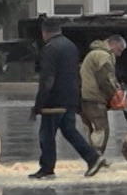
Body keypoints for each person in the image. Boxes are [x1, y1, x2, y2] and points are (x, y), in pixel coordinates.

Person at [32, 23, 107, 178]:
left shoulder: (50, 49)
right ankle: (93, 158)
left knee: (46, 134)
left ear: (44, 33)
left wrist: (39, 103)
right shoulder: (71, 46)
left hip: (54, 100)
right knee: (69, 131)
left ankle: (47, 168)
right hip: (70, 97)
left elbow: (48, 78)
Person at [79, 34, 126, 154]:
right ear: (113, 44)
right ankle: (96, 157)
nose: (120, 54)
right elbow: (106, 79)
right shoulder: (103, 56)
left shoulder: (95, 54)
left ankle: (92, 156)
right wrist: (116, 96)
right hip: (94, 98)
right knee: (102, 129)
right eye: (119, 50)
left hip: (85, 96)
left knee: (92, 130)